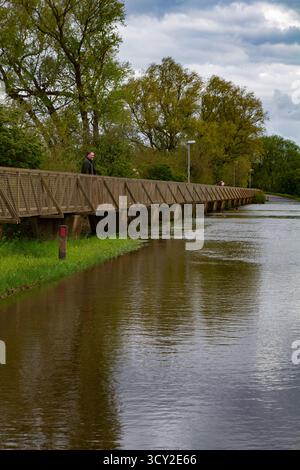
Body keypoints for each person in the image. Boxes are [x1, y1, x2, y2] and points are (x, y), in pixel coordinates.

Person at [81, 151, 97, 235]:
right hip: (87, 184)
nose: (93, 156)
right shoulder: (86, 162)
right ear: (88, 155)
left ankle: (94, 230)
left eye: (93, 155)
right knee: (88, 197)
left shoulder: (90, 162)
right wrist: (89, 182)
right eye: (91, 155)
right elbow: (86, 174)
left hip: (90, 184)